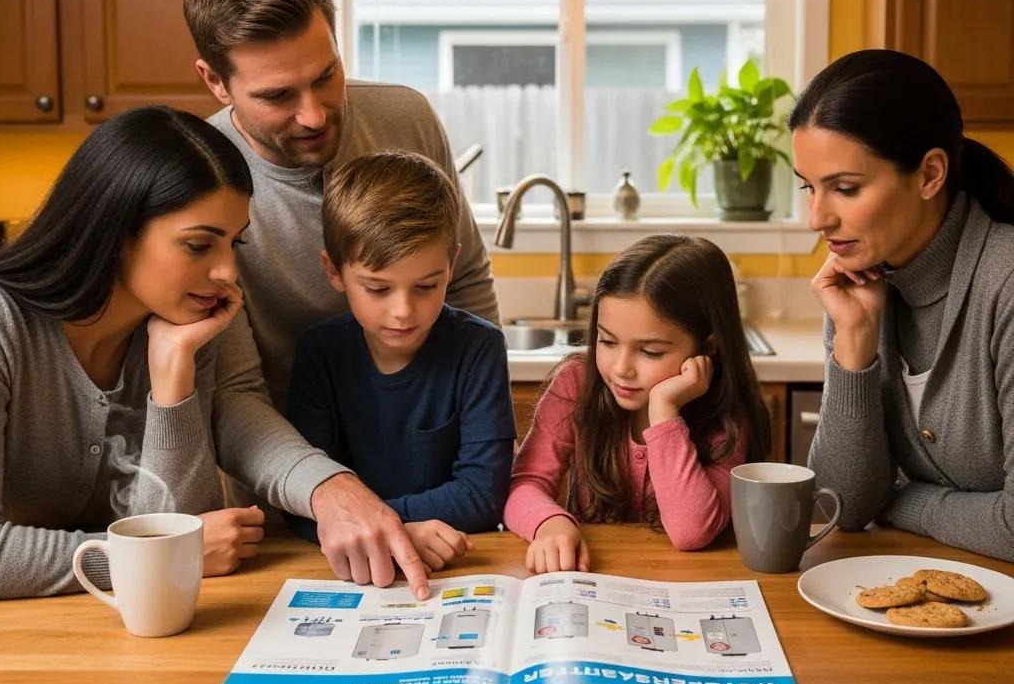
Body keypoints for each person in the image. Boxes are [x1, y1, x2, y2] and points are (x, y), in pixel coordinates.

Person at [0, 108, 367, 599]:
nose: (227, 273)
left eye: (234, 243)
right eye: (198, 245)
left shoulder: (195, 317)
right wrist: (154, 558)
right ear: (115, 231)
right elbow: (181, 550)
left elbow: (183, 525)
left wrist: (173, 379)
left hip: (132, 616)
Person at [183, 0, 499, 417]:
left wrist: (482, 417)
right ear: (215, 81)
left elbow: (466, 280)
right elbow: (237, 388)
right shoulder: (197, 176)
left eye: (326, 76)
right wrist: (314, 467)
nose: (314, 116)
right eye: (277, 95)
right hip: (287, 441)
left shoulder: (406, 118)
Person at [790, 48, 1014, 562]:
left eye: (846, 188)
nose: (817, 218)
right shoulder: (858, 284)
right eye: (809, 187)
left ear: (929, 174)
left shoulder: (1005, 285)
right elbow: (845, 506)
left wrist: (900, 499)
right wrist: (853, 342)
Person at [284, 152, 516, 571]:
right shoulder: (319, 354)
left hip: (458, 562)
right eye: (378, 289)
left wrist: (374, 522)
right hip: (348, 568)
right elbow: (303, 506)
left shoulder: (479, 348)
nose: (403, 311)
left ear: (451, 266)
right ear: (334, 271)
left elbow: (484, 496)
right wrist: (398, 531)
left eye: (426, 286)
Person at [503, 235, 770, 573]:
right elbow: (524, 483)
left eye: (650, 351)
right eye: (607, 341)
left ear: (707, 349)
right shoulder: (576, 383)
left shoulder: (725, 413)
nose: (621, 369)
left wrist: (664, 411)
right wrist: (549, 523)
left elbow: (692, 531)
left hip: (685, 581)